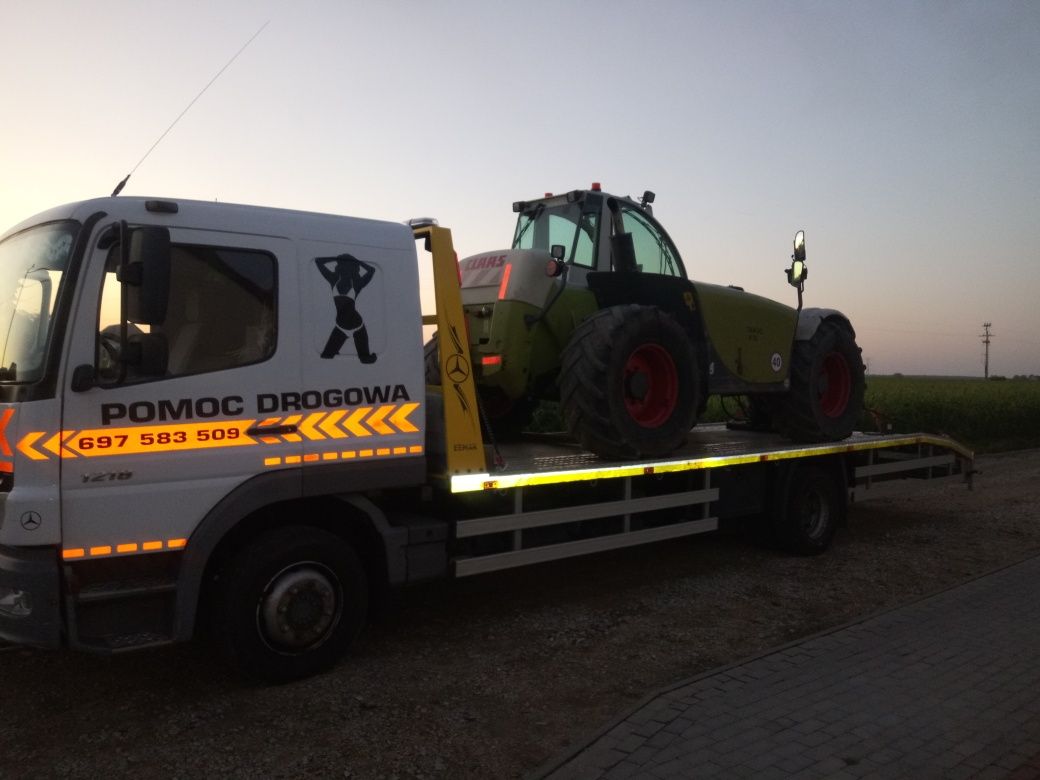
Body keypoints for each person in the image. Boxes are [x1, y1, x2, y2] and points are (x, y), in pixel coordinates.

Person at [315, 253, 377, 363]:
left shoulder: (357, 284)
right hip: (340, 327)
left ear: (352, 269)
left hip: (358, 326)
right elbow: (318, 261)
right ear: (340, 267)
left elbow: (371, 270)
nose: (345, 268)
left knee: (365, 360)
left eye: (348, 266)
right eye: (342, 265)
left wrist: (357, 261)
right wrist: (336, 258)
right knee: (325, 357)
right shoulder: (333, 279)